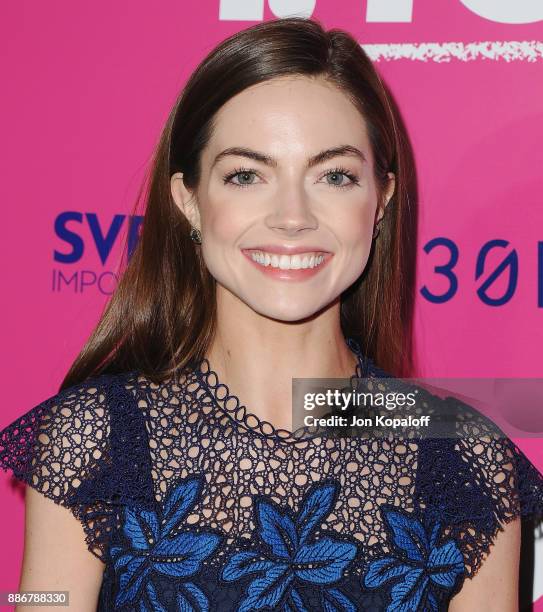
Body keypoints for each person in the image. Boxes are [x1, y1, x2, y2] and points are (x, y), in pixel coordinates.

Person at [1, 16, 542, 612]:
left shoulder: (464, 458)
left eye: (334, 175)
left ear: (381, 199)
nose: (292, 215)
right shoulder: (93, 440)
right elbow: (41, 601)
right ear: (189, 201)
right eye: (246, 175)